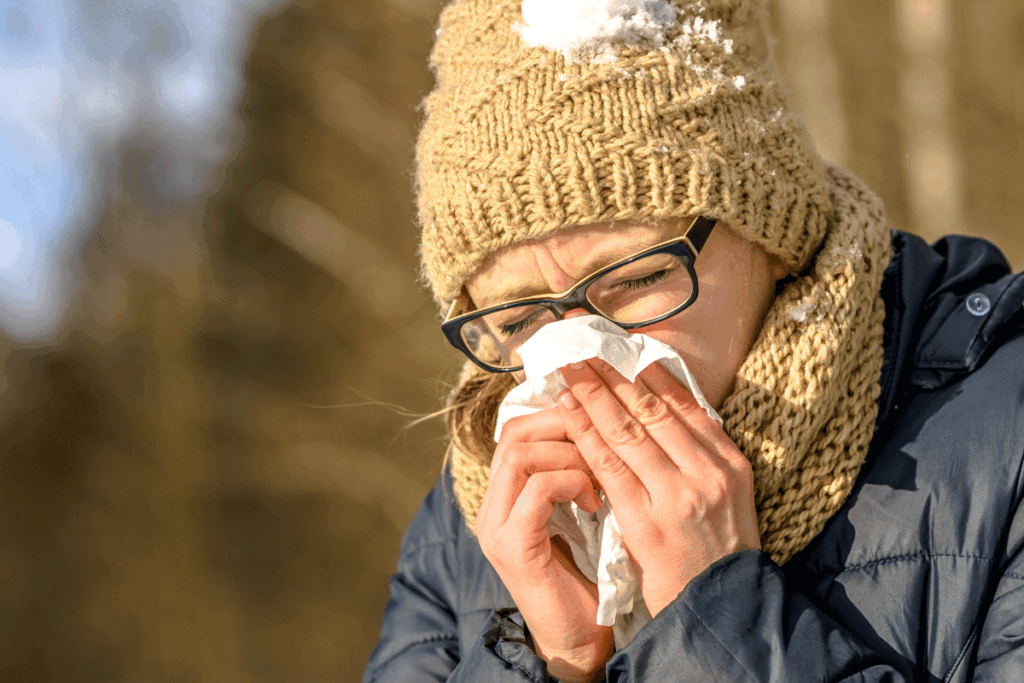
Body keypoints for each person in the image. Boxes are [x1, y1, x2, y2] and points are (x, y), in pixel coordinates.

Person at [362, 0, 1024, 680]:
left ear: (775, 235)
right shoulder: (468, 527)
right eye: (518, 321)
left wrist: (713, 623)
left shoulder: (1008, 449)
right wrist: (554, 663)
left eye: (637, 277)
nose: (578, 355)